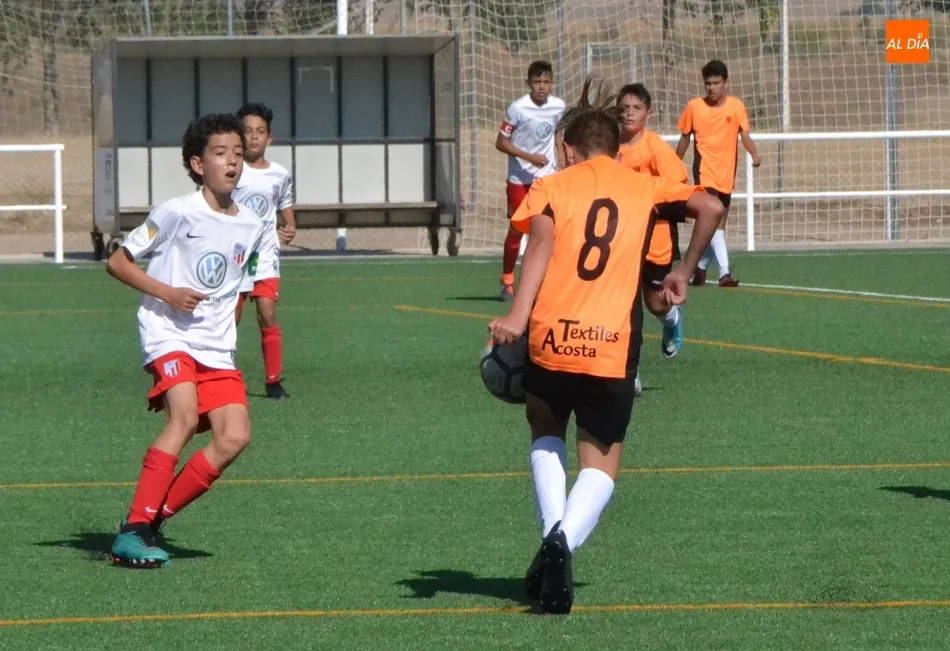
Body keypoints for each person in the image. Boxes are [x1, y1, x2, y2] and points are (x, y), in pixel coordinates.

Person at [488, 78, 724, 614]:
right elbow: (710, 206)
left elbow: (539, 247)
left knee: (545, 427)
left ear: (569, 149)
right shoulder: (645, 187)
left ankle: (553, 536)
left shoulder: (552, 186)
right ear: (617, 150)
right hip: (612, 345)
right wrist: (684, 271)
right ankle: (562, 544)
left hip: (551, 337)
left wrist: (517, 317)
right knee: (600, 461)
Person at [105, 113, 266, 568]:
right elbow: (118, 262)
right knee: (185, 416)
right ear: (198, 164)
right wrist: (169, 293)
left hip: (215, 345)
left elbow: (235, 288)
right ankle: (133, 531)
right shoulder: (176, 212)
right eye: (220, 153)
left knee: (235, 437)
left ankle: (150, 521)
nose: (232, 162)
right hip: (169, 332)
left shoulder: (253, 224)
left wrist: (228, 334)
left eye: (238, 154)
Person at [616, 83, 690, 394]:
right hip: (622, 238)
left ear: (649, 113)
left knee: (653, 302)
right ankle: (629, 372)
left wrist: (641, 188)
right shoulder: (612, 146)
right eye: (624, 108)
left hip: (656, 240)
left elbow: (678, 180)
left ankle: (671, 318)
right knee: (623, 305)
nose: (629, 113)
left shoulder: (654, 147)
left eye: (636, 108)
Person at [675, 59, 761, 287]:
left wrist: (754, 153)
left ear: (726, 83)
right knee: (713, 220)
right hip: (705, 172)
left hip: (726, 174)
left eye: (716, 83)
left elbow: (744, 135)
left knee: (716, 226)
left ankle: (700, 268)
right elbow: (685, 137)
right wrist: (674, 163)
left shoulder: (736, 106)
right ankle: (724, 273)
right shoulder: (694, 107)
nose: (711, 88)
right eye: (708, 84)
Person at [232, 102, 296, 400]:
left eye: (260, 131)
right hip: (234, 257)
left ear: (269, 138)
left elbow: (284, 202)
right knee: (230, 318)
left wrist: (290, 225)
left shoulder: (279, 174)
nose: (253, 136)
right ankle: (223, 376)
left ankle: (273, 381)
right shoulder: (231, 169)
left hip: (266, 255)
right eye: (247, 131)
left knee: (267, 312)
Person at [495, 60, 566, 302]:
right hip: (519, 178)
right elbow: (500, 143)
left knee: (549, 230)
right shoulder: (518, 109)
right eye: (537, 82)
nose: (542, 87)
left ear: (552, 83)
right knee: (517, 230)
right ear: (528, 83)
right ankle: (507, 280)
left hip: (546, 179)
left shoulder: (558, 106)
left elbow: (557, 132)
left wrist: (561, 155)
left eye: (546, 82)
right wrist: (529, 157)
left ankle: (546, 281)